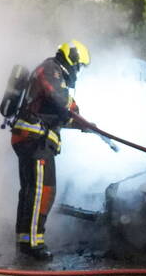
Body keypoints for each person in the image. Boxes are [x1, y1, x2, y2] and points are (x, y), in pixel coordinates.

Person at [10, 40, 94, 261]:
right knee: (42, 191)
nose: (79, 71)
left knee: (30, 192)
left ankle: (25, 241)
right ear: (72, 59)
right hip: (35, 140)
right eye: (80, 66)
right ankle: (34, 245)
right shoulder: (51, 70)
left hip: (33, 138)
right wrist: (76, 112)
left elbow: (58, 114)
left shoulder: (55, 74)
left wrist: (84, 126)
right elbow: (61, 101)